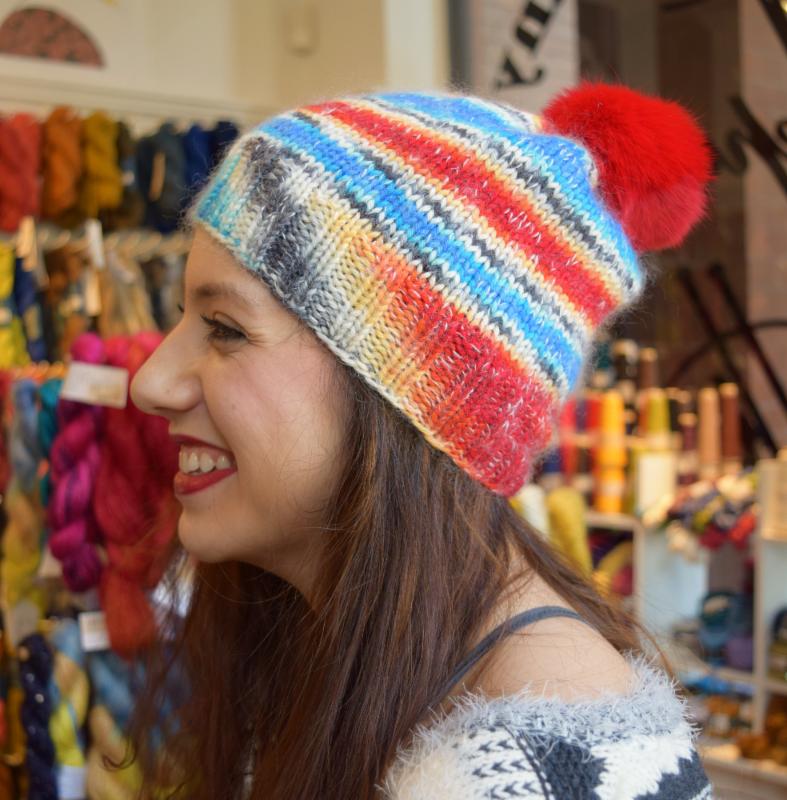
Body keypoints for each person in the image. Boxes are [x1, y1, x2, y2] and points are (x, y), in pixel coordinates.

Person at [130, 83, 714, 799]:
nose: (151, 382)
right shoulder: (351, 661)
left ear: (415, 397)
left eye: (225, 329)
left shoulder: (525, 773)